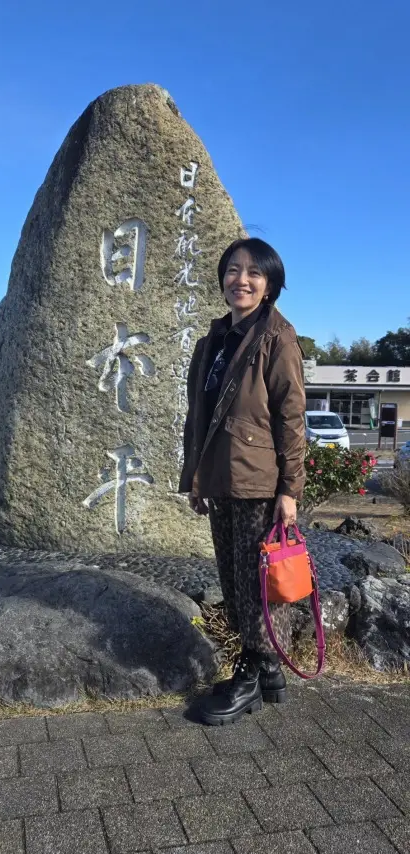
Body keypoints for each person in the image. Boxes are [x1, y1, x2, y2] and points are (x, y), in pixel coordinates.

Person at [179, 237, 306, 726]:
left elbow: (291, 419)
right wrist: (195, 478)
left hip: (258, 481)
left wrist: (289, 490)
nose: (242, 280)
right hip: (221, 479)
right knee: (234, 581)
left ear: (271, 284)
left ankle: (250, 675)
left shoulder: (277, 337)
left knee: (252, 585)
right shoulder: (213, 339)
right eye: (233, 270)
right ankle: (270, 673)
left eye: (254, 272)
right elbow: (200, 418)